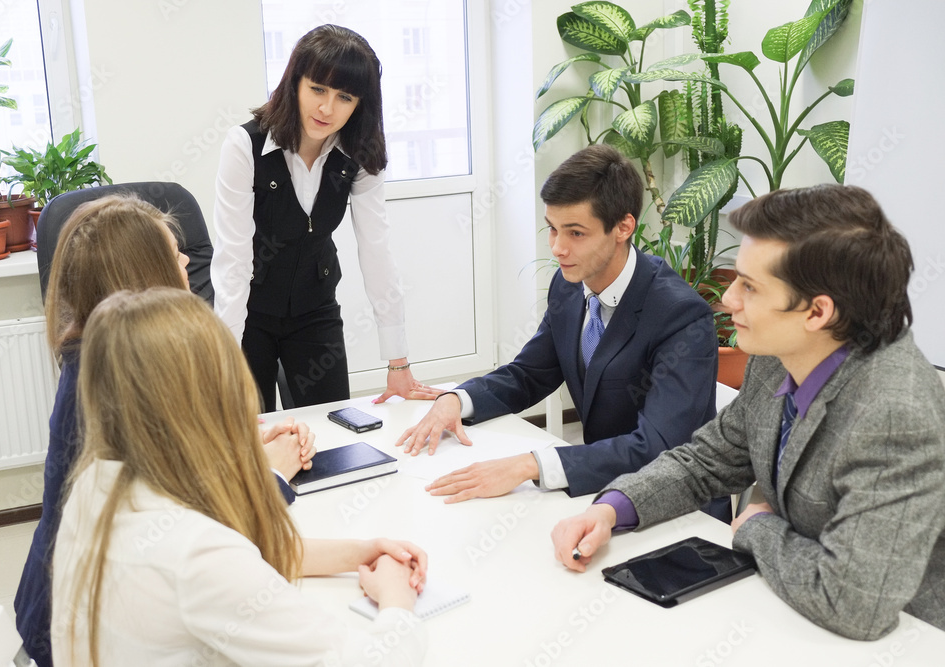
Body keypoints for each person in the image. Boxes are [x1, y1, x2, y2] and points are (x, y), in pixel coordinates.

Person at [552, 184, 945, 640]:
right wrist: (611, 508)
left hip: (903, 640)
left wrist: (757, 527)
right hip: (788, 608)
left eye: (750, 287)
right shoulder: (779, 351)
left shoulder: (896, 413)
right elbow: (707, 460)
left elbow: (853, 603)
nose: (728, 300)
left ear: (818, 312)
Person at [51, 288, 429, 665]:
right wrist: (397, 601)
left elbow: (249, 547)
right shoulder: (196, 555)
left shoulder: (94, 485)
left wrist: (363, 552)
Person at [14, 195, 314, 667]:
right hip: (80, 631)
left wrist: (228, 443)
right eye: (174, 254)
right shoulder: (101, 389)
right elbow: (199, 530)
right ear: (144, 279)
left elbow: (167, 478)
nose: (186, 263)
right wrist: (269, 477)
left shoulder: (99, 359)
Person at [396, 145, 721, 504]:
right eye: (552, 229)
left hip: (675, 508)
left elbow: (658, 446)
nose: (557, 248)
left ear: (623, 227)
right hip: (604, 491)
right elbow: (530, 374)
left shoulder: (681, 316)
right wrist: (457, 400)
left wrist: (531, 465)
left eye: (575, 233)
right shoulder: (569, 285)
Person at [212, 24, 440, 411]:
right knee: (246, 436)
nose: (326, 109)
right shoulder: (244, 146)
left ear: (359, 104)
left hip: (314, 310)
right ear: (295, 82)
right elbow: (233, 260)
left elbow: (376, 250)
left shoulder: (360, 155)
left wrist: (398, 360)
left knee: (332, 433)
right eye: (317, 89)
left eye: (344, 97)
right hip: (249, 313)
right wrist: (222, 358)